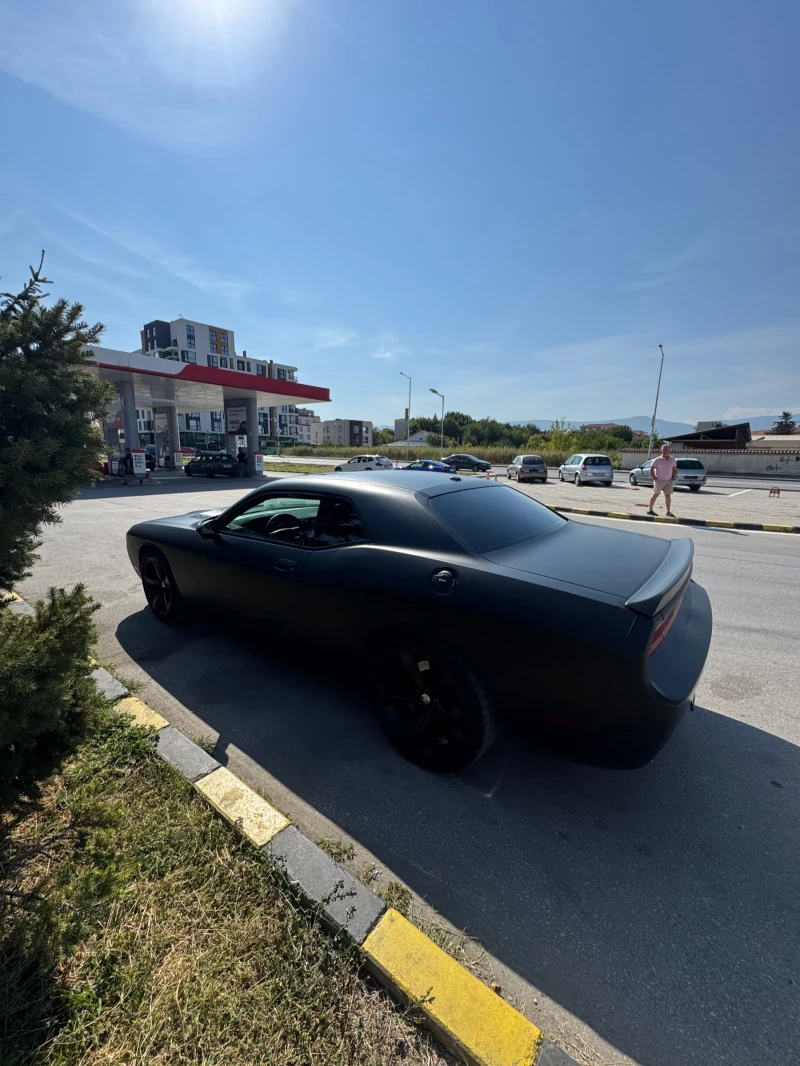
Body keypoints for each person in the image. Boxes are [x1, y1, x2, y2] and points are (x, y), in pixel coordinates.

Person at [647, 444, 678, 517]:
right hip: (659, 480)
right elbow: (651, 469)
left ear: (669, 451)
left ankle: (668, 511)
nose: (664, 451)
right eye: (663, 450)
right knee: (655, 494)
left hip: (669, 480)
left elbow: (674, 469)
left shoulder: (672, 459)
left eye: (666, 450)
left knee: (668, 495)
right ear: (661, 450)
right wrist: (655, 478)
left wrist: (673, 477)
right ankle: (650, 510)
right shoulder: (657, 460)